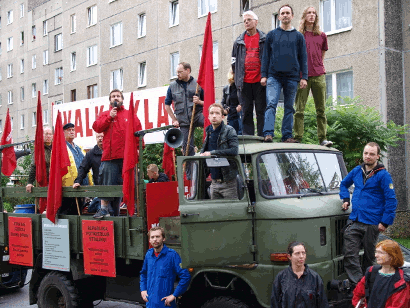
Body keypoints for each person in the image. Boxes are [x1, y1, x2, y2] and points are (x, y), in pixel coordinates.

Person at [340, 142, 398, 287]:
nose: (368, 156)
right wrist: (346, 199)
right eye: (366, 153)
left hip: (373, 223)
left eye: (372, 154)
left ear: (377, 156)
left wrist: (385, 222)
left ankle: (371, 286)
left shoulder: (383, 175)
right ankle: (361, 285)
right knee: (349, 254)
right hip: (355, 220)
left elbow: (391, 199)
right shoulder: (357, 171)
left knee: (370, 257)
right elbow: (343, 184)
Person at [261, 4, 308, 143]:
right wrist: (264, 75)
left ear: (292, 16)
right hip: (273, 76)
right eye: (283, 13)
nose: (285, 15)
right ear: (279, 16)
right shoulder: (271, 35)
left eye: (288, 13)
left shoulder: (298, 36)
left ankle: (287, 136)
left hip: (292, 78)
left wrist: (304, 77)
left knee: (289, 107)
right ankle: (268, 134)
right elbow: (265, 57)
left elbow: (303, 58)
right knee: (271, 105)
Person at [92, 89, 142, 218]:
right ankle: (103, 209)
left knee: (131, 183)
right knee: (106, 182)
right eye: (113, 96)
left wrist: (138, 147)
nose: (116, 98)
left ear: (122, 99)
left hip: (127, 157)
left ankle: (134, 209)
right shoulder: (105, 114)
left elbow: (138, 131)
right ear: (110, 100)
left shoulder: (129, 114)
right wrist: (110, 117)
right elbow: (97, 127)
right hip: (110, 156)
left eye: (118, 96)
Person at [294, 7, 333, 147]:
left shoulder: (322, 35)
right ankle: (297, 138)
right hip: (302, 77)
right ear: (304, 17)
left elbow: (321, 55)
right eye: (309, 13)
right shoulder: (298, 36)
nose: (311, 15)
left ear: (316, 17)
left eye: (314, 13)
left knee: (321, 110)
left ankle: (323, 139)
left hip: (319, 75)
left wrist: (317, 67)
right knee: (299, 110)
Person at [231, 10, 266, 137]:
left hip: (260, 82)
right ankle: (249, 136)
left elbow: (268, 58)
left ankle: (262, 136)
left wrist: (265, 75)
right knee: (246, 112)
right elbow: (233, 61)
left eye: (249, 20)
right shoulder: (238, 41)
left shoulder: (264, 39)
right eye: (244, 21)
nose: (246, 22)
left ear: (256, 22)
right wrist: (237, 77)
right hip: (244, 83)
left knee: (261, 111)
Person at [140, 226, 191, 308]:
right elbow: (143, 274)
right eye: (152, 237)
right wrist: (143, 289)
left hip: (165, 304)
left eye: (158, 236)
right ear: (149, 240)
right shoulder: (149, 255)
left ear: (163, 239)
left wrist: (174, 295)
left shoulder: (172, 255)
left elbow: (185, 276)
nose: (155, 239)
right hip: (150, 304)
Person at [352, 240, 410, 308]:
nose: (376, 255)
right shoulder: (371, 272)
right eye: (376, 252)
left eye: (381, 253)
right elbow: (357, 294)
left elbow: (398, 306)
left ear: (392, 256)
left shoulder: (401, 281)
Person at [271, 241, 329, 308]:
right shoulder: (281, 278)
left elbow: (322, 304)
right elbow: (274, 303)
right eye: (297, 253)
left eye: (303, 253)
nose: (301, 256)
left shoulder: (315, 278)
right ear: (289, 256)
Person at [165, 62, 204, 157]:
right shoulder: (172, 86)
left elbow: (208, 103)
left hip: (198, 115)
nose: (177, 74)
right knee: (187, 149)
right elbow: (167, 105)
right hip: (183, 121)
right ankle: (189, 171)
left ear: (188, 71)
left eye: (180, 72)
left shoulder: (198, 83)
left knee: (210, 123)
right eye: (177, 72)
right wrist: (174, 119)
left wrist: (199, 101)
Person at [200, 103, 239, 199]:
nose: (214, 116)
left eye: (217, 113)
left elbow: (234, 151)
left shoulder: (229, 130)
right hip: (214, 182)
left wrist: (212, 153)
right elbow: (205, 153)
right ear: (208, 116)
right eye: (212, 113)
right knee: (216, 213)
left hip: (229, 183)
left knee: (232, 212)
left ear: (222, 117)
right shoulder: (208, 132)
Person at [59, 123, 93, 214]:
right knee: (67, 213)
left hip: (82, 186)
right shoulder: (61, 148)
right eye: (69, 130)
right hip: (69, 187)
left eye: (73, 130)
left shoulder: (79, 148)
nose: (71, 132)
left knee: (79, 212)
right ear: (63, 133)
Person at [73, 132, 107, 214]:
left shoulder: (113, 151)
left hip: (115, 188)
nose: (100, 138)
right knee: (100, 210)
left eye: (102, 136)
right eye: (98, 136)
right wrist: (78, 181)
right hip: (99, 189)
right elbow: (83, 168)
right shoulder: (91, 154)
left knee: (115, 212)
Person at [26, 126, 53, 192]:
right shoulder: (39, 150)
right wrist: (30, 182)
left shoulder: (55, 148)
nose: (48, 136)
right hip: (43, 182)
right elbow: (34, 166)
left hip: (55, 181)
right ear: (42, 135)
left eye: (50, 134)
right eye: (46, 134)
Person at [221, 68, 241, 134]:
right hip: (231, 116)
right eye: (232, 73)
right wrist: (224, 110)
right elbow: (223, 102)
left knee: (242, 137)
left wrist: (241, 105)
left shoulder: (242, 87)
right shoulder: (226, 88)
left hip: (240, 116)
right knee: (231, 137)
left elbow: (248, 100)